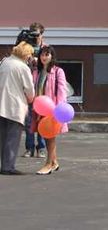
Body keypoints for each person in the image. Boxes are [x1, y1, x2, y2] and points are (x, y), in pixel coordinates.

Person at [0, 42, 36, 174]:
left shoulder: (4, 62)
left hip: (1, 104)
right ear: (26, 54)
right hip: (15, 106)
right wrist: (31, 99)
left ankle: (4, 165)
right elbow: (29, 89)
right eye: (30, 54)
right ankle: (8, 167)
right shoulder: (22, 67)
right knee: (13, 138)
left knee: (3, 137)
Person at [32, 46, 68, 175]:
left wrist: (58, 111)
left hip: (52, 110)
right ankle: (54, 162)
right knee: (46, 135)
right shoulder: (37, 72)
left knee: (50, 136)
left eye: (47, 54)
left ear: (52, 56)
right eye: (42, 54)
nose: (44, 57)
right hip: (39, 109)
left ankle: (48, 164)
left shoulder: (58, 71)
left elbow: (62, 92)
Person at [17, 23, 45, 159]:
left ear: (42, 34)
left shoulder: (46, 49)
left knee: (41, 120)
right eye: (32, 34)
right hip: (28, 88)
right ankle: (29, 148)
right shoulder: (25, 48)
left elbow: (50, 67)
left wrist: (39, 60)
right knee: (28, 121)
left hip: (41, 89)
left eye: (37, 34)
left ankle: (41, 148)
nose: (35, 37)